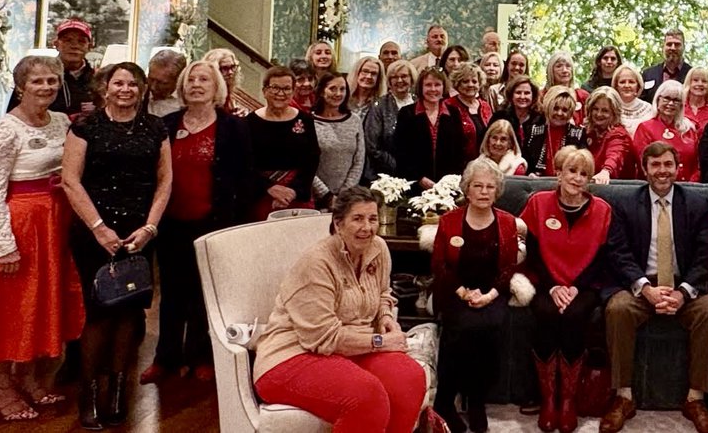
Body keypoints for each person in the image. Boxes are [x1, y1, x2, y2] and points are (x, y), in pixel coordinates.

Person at [0, 56, 85, 422]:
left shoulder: (62, 122)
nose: (46, 87)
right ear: (20, 87)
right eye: (37, 81)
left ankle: (30, 377)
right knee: (10, 308)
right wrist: (4, 247)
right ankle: (1, 385)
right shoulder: (5, 130)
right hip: (19, 226)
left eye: (52, 80)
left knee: (42, 304)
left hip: (55, 222)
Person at [253, 188, 426, 433]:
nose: (367, 227)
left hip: (350, 349)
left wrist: (386, 316)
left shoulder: (378, 248)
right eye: (357, 219)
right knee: (366, 397)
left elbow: (383, 293)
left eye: (373, 219)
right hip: (293, 354)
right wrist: (380, 341)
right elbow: (322, 338)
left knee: (409, 378)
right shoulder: (317, 263)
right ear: (338, 223)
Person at [61, 62, 171, 430]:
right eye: (118, 83)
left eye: (132, 84)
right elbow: (70, 180)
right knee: (99, 313)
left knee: (129, 311)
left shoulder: (156, 128)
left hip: (139, 232)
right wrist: (99, 228)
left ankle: (120, 389)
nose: (125, 89)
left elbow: (165, 181)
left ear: (142, 90)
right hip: (94, 231)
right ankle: (89, 394)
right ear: (105, 88)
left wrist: (150, 227)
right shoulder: (85, 126)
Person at [601, 142, 708, 433]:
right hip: (642, 286)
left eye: (668, 164)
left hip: (684, 286)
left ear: (677, 168)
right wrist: (646, 289)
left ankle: (695, 398)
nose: (662, 171)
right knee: (618, 308)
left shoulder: (697, 204)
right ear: (644, 169)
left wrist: (682, 293)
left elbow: (706, 255)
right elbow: (619, 253)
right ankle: (624, 396)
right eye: (655, 165)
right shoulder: (626, 204)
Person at [144, 60, 252, 386]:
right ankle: (165, 358)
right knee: (172, 292)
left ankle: (200, 356)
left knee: (204, 293)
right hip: (171, 220)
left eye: (204, 79)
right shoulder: (166, 124)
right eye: (190, 80)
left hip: (214, 221)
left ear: (216, 87)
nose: (196, 85)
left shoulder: (233, 127)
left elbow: (244, 176)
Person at [522, 147, 612, 433]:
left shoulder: (602, 209)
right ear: (558, 173)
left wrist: (575, 288)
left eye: (584, 173)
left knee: (574, 316)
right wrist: (552, 287)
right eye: (571, 171)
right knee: (546, 313)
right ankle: (549, 399)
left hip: (585, 285)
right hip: (545, 282)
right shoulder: (538, 203)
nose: (577, 178)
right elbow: (531, 252)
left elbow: (603, 259)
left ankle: (568, 401)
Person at [432, 159, 521, 433]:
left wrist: (489, 295)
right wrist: (463, 292)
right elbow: (440, 266)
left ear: (497, 191)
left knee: (488, 325)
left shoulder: (507, 223)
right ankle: (445, 401)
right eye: (478, 186)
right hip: (455, 291)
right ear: (467, 190)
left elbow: (509, 268)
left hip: (491, 292)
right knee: (461, 327)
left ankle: (476, 401)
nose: (484, 192)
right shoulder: (449, 221)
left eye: (490, 187)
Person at [246, 66, 321, 221]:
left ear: (293, 91)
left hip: (297, 195)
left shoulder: (305, 120)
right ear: (264, 91)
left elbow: (312, 158)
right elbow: (243, 163)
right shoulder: (249, 122)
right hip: (262, 195)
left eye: (286, 88)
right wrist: (270, 188)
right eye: (275, 88)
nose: (281, 93)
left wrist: (292, 191)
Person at [394, 68, 467, 190]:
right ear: (421, 87)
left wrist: (449, 182)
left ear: (444, 87)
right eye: (428, 85)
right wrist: (419, 177)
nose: (433, 89)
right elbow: (401, 151)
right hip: (414, 184)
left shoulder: (454, 113)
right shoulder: (407, 113)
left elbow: (459, 151)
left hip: (447, 186)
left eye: (437, 85)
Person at [7, 19, 96, 118]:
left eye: (81, 41)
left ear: (89, 46)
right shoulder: (36, 74)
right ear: (56, 44)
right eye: (67, 40)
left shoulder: (99, 79)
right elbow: (15, 115)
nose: (74, 46)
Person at [312, 72, 366, 207]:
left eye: (342, 89)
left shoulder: (354, 120)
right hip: (315, 197)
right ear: (321, 91)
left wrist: (344, 194)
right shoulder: (309, 122)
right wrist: (326, 196)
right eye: (332, 89)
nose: (338, 93)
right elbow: (306, 164)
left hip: (347, 198)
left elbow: (359, 160)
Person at [632, 80, 700, 182]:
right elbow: (643, 163)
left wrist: (691, 184)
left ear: (681, 105)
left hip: (688, 186)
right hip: (656, 185)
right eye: (667, 98)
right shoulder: (645, 128)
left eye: (676, 100)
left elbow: (697, 164)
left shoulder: (689, 129)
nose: (671, 103)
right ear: (658, 100)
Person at [362, 59, 416, 182]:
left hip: (417, 174)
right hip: (385, 176)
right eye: (394, 77)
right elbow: (372, 146)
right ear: (389, 81)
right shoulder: (379, 106)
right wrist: (398, 166)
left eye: (404, 76)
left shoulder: (420, 103)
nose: (399, 80)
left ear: (412, 79)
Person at [525, 85, 587, 177]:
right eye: (556, 108)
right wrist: (530, 173)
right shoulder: (532, 131)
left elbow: (583, 164)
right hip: (536, 180)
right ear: (548, 107)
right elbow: (525, 160)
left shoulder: (579, 134)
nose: (559, 113)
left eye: (565, 110)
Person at [584, 87, 635, 184]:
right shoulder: (589, 131)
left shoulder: (619, 135)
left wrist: (606, 171)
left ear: (614, 113)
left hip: (617, 188)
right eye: (595, 109)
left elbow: (615, 155)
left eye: (605, 111)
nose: (599, 114)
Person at [446, 63, 493, 160]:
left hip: (485, 161)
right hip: (458, 163)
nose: (470, 85)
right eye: (465, 81)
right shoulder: (448, 106)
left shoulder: (485, 106)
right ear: (457, 83)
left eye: (474, 81)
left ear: (479, 84)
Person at [202, 48, 261, 117]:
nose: (230, 72)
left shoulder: (228, 89)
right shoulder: (205, 92)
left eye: (233, 67)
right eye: (225, 68)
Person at [641, 29, 692, 101]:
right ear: (663, 47)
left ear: (683, 47)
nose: (673, 48)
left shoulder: (691, 75)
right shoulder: (648, 74)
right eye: (669, 44)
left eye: (677, 44)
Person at [545, 51, 590, 124]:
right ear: (551, 70)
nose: (564, 70)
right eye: (559, 66)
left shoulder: (582, 96)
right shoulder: (541, 96)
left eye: (568, 66)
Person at [612, 64, 655, 132]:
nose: (627, 85)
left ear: (638, 86)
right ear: (616, 86)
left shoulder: (649, 109)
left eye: (631, 82)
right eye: (622, 82)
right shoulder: (610, 107)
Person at [144, 49, 186, 117]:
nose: (153, 87)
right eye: (151, 79)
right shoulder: (140, 91)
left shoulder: (187, 99)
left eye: (161, 83)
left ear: (178, 79)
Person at [683, 67, 708, 131]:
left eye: (704, 81)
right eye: (695, 80)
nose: (700, 84)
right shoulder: (678, 107)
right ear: (689, 83)